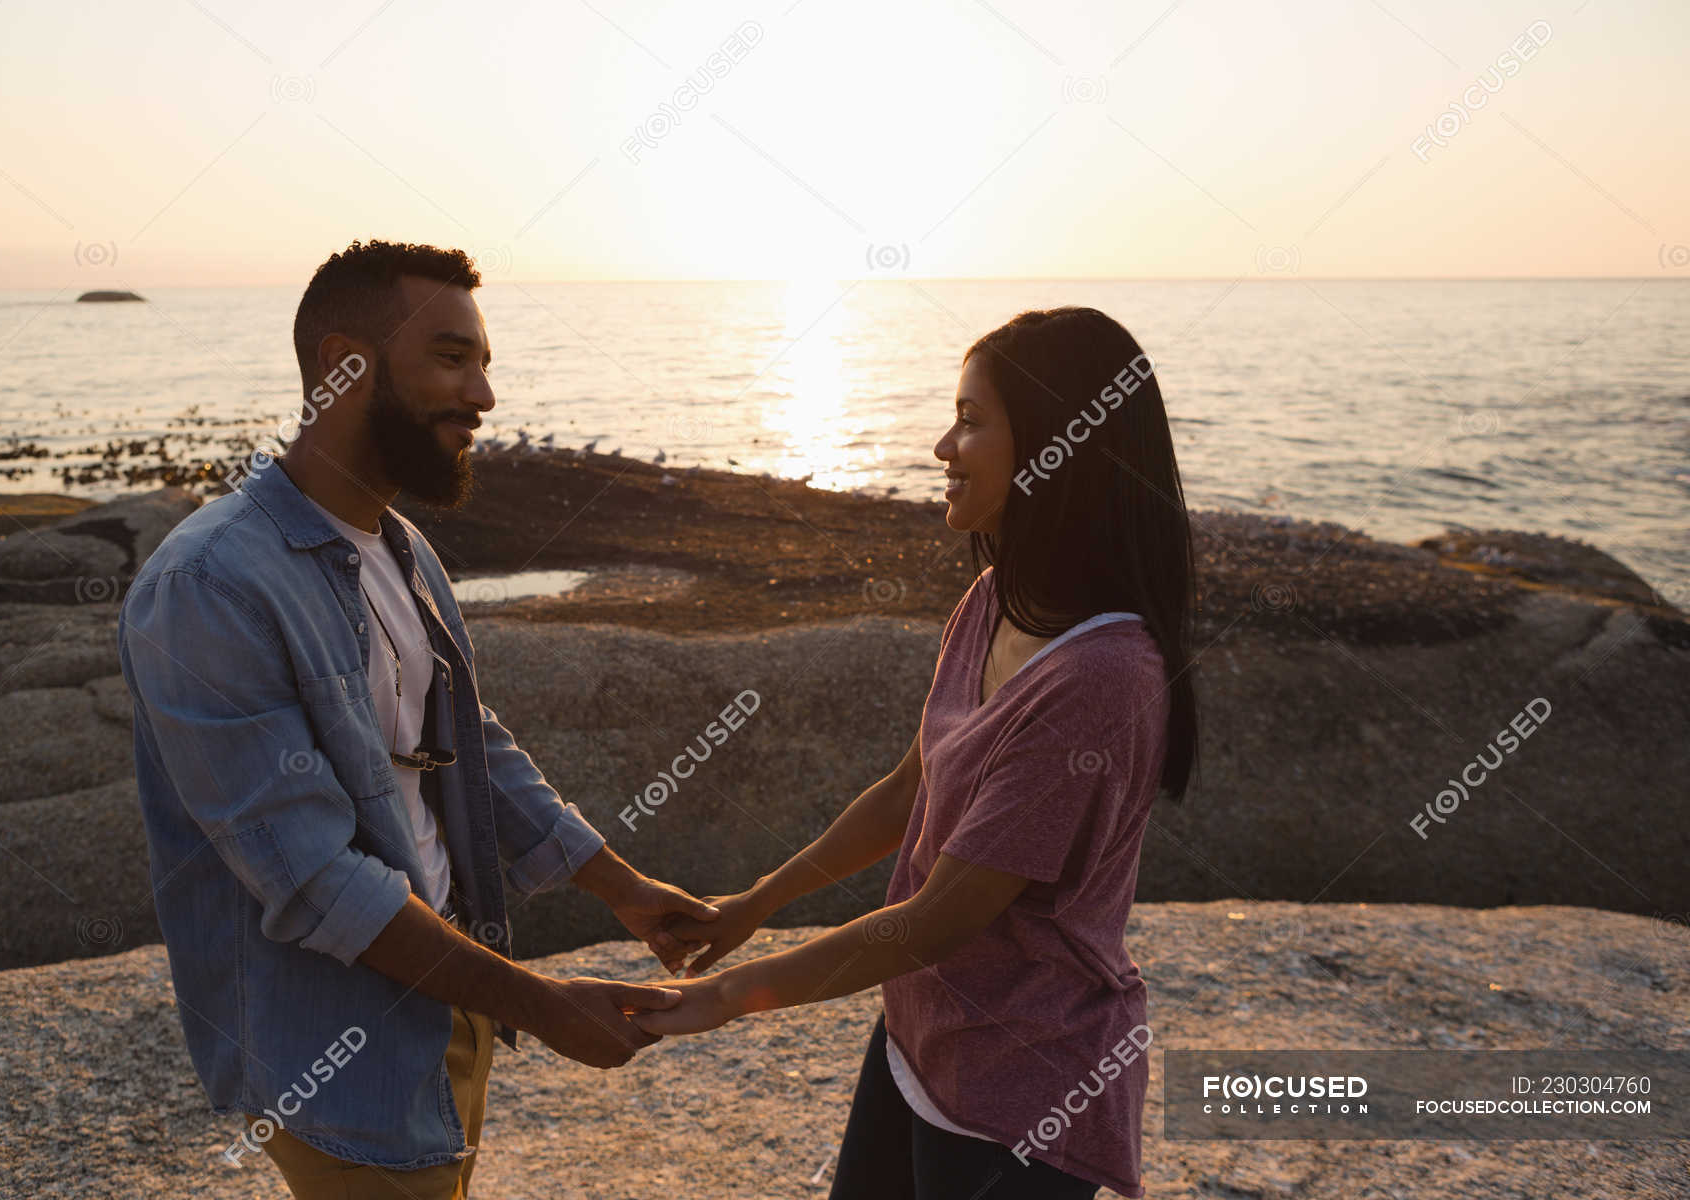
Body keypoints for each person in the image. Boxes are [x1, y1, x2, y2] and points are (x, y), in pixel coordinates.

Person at [117, 239, 718, 1200]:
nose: (483, 396)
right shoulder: (209, 585)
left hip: (451, 994)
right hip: (335, 1044)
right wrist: (548, 1007)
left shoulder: (401, 546)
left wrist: (625, 888)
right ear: (343, 364)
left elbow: (466, 745)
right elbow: (313, 880)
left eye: (484, 364)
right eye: (451, 358)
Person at [639, 307, 1200, 1200]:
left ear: (1057, 449)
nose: (943, 445)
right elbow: (911, 789)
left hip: (1024, 1092)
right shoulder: (994, 599)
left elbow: (943, 918)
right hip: (920, 1043)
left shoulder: (1100, 677)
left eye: (972, 420)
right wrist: (755, 903)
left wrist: (727, 998)